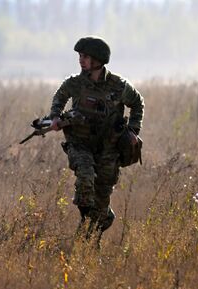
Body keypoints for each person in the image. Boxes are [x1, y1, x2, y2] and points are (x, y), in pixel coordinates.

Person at [49, 36, 144, 239]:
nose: (81, 60)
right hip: (80, 144)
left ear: (99, 60)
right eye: (80, 56)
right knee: (85, 177)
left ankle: (94, 231)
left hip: (108, 150)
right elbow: (59, 98)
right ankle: (86, 230)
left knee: (101, 202)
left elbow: (137, 103)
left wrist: (133, 131)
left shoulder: (118, 86)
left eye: (86, 56)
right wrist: (56, 117)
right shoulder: (75, 83)